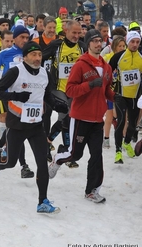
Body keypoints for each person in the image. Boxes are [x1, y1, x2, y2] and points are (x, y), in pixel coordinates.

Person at [0, 41, 68, 213]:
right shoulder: (16, 72)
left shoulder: (45, 73)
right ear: (25, 57)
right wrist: (16, 96)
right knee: (10, 162)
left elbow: (47, 96)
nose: (38, 58)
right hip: (16, 125)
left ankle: (42, 201)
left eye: (39, 55)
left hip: (36, 126)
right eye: (33, 55)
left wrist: (59, 105)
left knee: (42, 164)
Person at [49, 29, 115, 203]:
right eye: (94, 41)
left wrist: (117, 97)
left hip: (97, 120)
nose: (98, 44)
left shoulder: (106, 67)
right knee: (74, 155)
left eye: (100, 41)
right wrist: (89, 85)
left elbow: (106, 90)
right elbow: (70, 90)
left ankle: (92, 190)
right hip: (80, 118)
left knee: (96, 156)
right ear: (87, 44)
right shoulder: (81, 64)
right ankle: (57, 159)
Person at [0, 26, 36, 179]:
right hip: (6, 95)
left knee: (17, 127)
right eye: (21, 37)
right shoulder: (5, 53)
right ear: (15, 38)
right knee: (9, 123)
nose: (24, 40)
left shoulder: (31, 53)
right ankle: (19, 161)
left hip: (23, 97)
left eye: (26, 38)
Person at [43, 20, 86, 168]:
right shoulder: (56, 45)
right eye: (73, 32)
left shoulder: (82, 47)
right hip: (58, 89)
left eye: (78, 33)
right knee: (66, 114)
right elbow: (39, 58)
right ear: (65, 32)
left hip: (74, 90)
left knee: (69, 119)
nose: (76, 36)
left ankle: (62, 148)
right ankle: (60, 146)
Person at [108, 31, 142, 163]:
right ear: (128, 42)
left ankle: (127, 143)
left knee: (133, 124)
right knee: (121, 122)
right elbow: (108, 72)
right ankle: (118, 151)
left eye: (137, 42)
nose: (134, 45)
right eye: (132, 42)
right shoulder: (118, 57)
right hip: (120, 95)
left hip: (135, 97)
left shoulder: (141, 57)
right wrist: (110, 87)